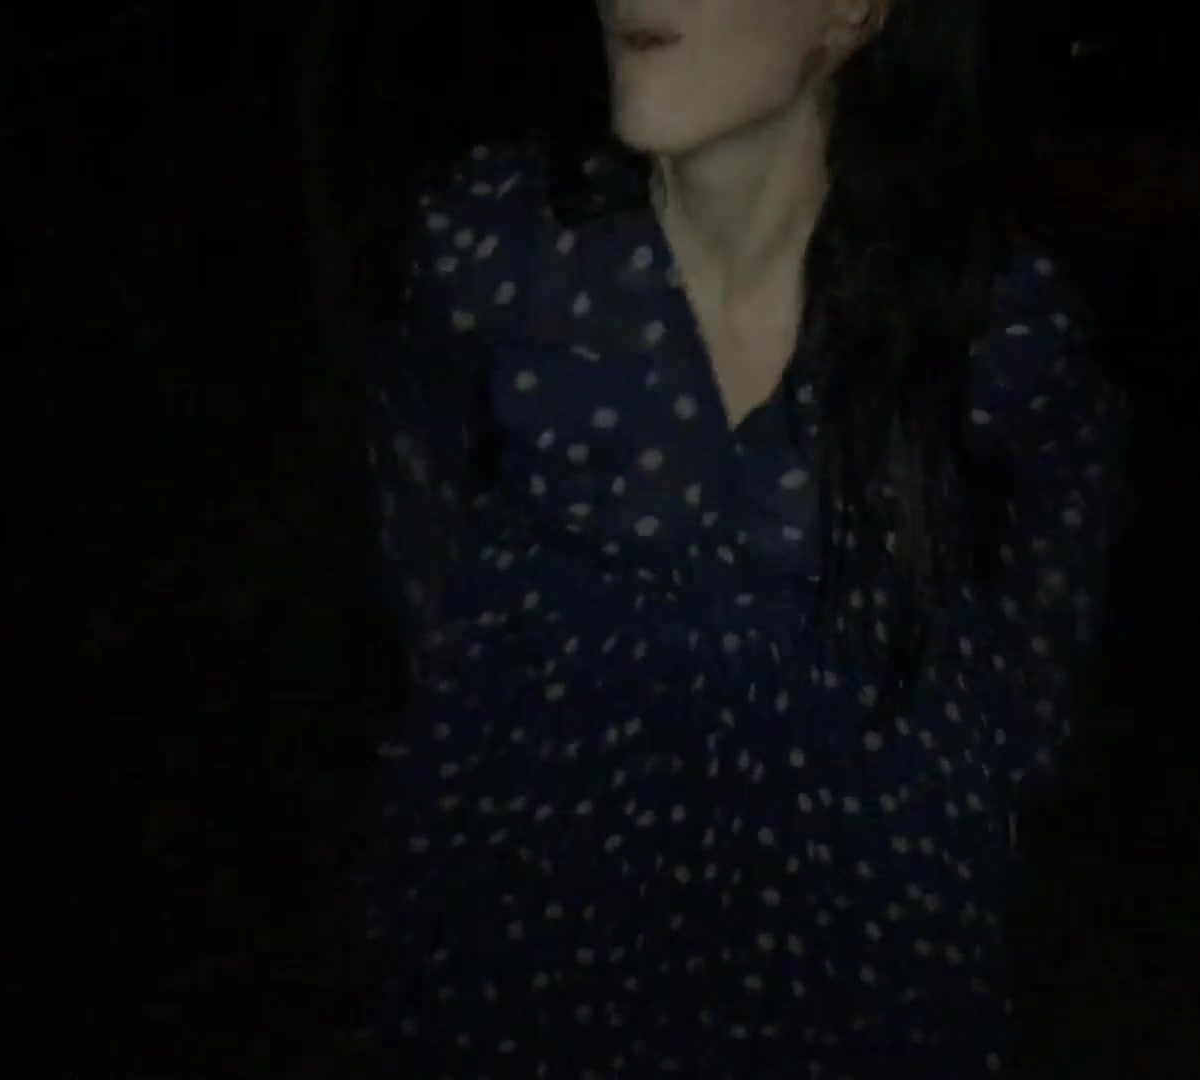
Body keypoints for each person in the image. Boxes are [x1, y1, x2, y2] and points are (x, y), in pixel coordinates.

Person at [352, 0, 1131, 1074]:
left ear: (853, 12)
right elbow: (412, 435)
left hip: (861, 894)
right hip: (537, 866)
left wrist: (1003, 737)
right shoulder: (500, 244)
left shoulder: (977, 305)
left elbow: (1072, 488)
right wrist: (463, 685)